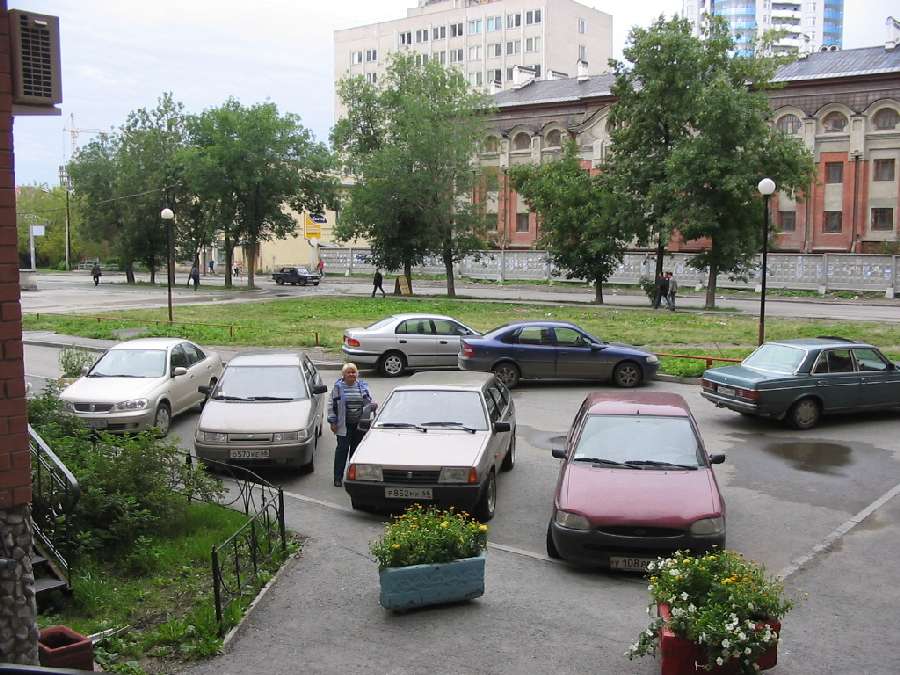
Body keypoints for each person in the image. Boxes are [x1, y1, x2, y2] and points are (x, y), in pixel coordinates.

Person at [328, 363, 376, 487]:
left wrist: (372, 406)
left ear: (357, 374)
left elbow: (368, 402)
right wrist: (332, 422)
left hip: (359, 425)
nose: (351, 374)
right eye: (348, 372)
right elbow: (331, 405)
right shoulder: (338, 387)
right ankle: (337, 478)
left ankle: (354, 477)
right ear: (343, 375)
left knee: (356, 451)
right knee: (342, 450)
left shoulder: (362, 386)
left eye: (353, 372)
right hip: (343, 425)